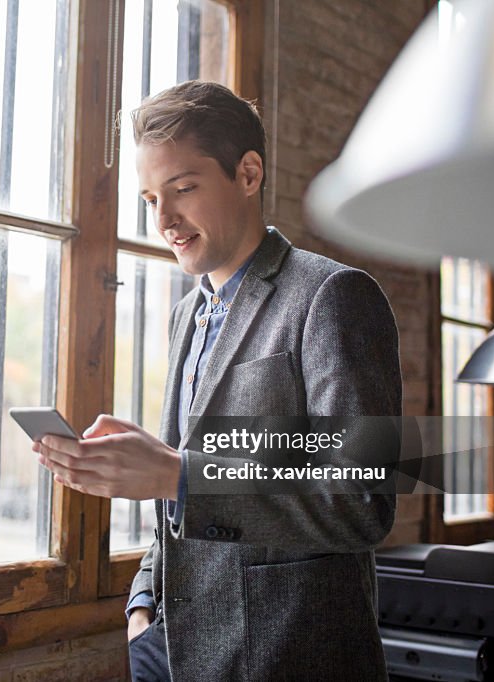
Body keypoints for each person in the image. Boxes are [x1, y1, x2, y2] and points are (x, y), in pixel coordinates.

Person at [33, 80, 401, 680]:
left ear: (248, 174)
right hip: (170, 649)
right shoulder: (187, 315)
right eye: (151, 198)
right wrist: (143, 601)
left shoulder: (333, 297)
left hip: (288, 659)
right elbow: (185, 490)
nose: (164, 220)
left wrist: (177, 475)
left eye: (182, 189)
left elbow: (360, 502)